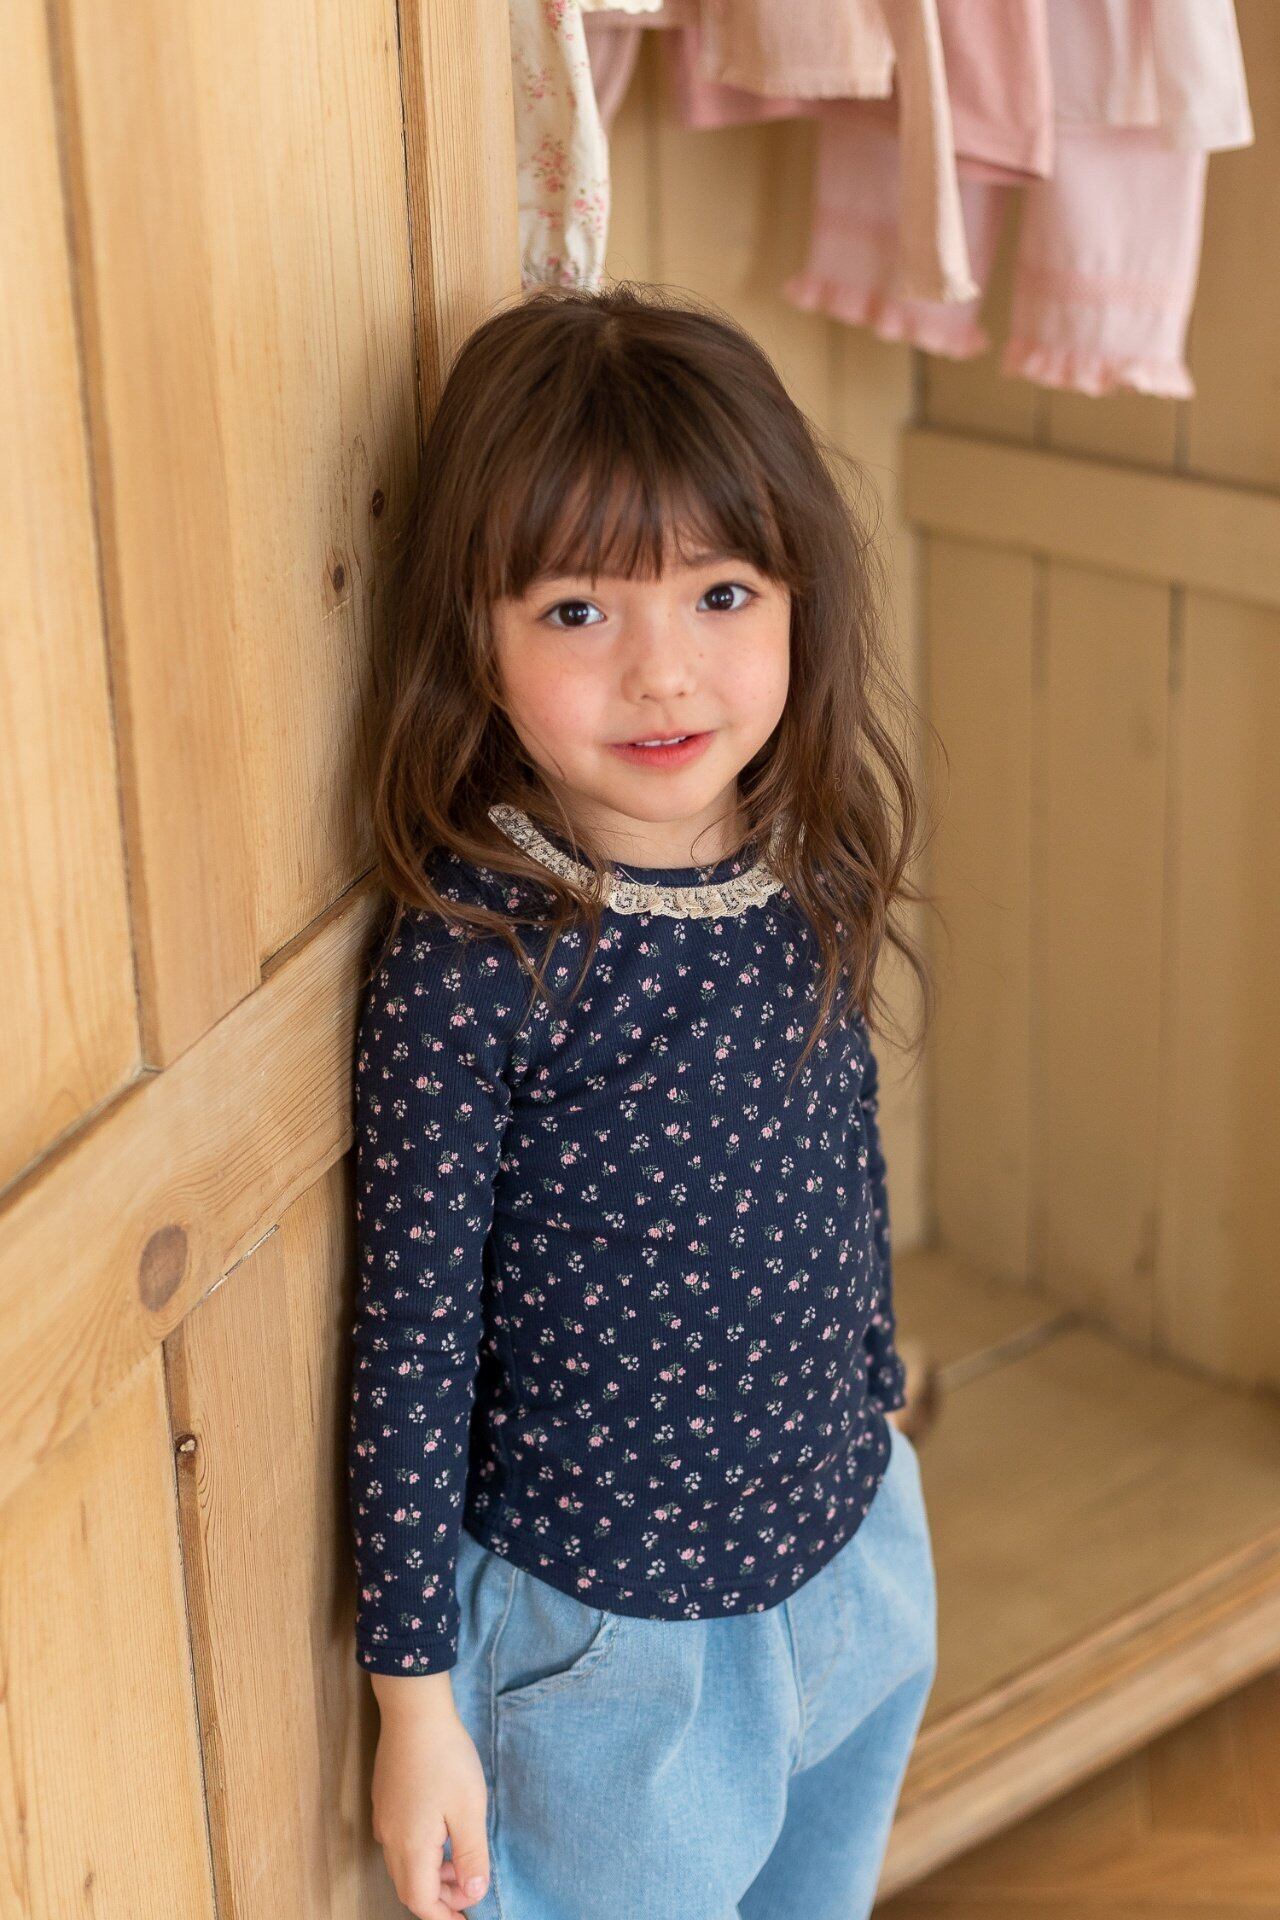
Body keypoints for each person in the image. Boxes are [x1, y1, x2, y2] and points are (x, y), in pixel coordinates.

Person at [348, 280, 940, 1920]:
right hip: (611, 1648)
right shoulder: (477, 960)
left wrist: (875, 1397)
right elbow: (409, 1343)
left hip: (852, 1554)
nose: (665, 673)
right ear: (472, 635)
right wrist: (414, 1703)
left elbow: (844, 1148)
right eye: (577, 612)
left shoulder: (806, 857)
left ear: (800, 596)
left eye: (722, 593)